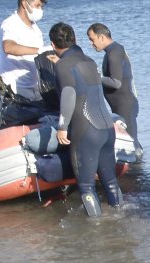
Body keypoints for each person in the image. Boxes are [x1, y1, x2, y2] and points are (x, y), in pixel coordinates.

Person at [51, 22, 122, 219]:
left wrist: (62, 127)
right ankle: (122, 217)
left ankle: (96, 230)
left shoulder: (63, 65)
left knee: (86, 186)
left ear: (52, 45)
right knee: (110, 181)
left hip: (86, 131)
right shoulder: (89, 61)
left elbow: (68, 94)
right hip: (107, 127)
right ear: (74, 40)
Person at [87, 24, 141, 154]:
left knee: (132, 144)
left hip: (125, 105)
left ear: (101, 37)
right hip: (123, 104)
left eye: (92, 39)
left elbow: (116, 83)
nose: (91, 44)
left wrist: (96, 76)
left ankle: (139, 172)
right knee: (131, 143)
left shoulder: (114, 53)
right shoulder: (114, 50)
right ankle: (137, 170)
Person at [0, 0, 47, 100]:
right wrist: (39, 50)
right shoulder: (10, 24)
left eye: (41, 7)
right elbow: (8, 47)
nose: (40, 10)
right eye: (37, 6)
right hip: (17, 89)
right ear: (25, 3)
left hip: (35, 86)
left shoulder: (35, 27)